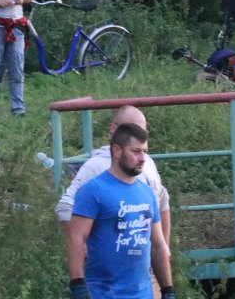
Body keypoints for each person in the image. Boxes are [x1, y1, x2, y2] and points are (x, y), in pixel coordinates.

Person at [66, 122, 174, 299]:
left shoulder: (146, 193)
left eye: (145, 151)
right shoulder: (93, 190)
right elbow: (76, 236)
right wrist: (77, 284)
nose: (142, 158)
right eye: (136, 151)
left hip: (142, 297)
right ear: (116, 151)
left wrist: (168, 291)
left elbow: (157, 245)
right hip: (105, 296)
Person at [55, 105, 171, 245]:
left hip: (143, 258)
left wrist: (164, 249)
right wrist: (83, 249)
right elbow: (65, 207)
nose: (137, 136)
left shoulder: (147, 162)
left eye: (142, 131)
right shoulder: (96, 166)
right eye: (131, 130)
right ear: (113, 129)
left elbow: (162, 198)